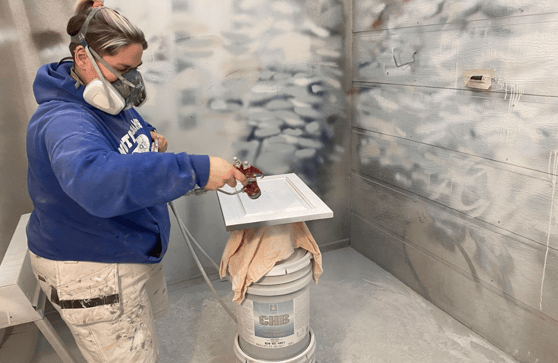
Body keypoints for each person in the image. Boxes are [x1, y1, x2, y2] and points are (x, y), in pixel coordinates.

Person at [26, 1, 247, 362]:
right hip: (92, 265)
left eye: (136, 68)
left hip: (125, 246)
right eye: (122, 69)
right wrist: (195, 169)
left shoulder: (102, 96)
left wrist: (147, 137)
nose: (131, 80)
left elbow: (117, 140)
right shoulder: (63, 120)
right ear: (83, 57)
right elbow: (95, 180)